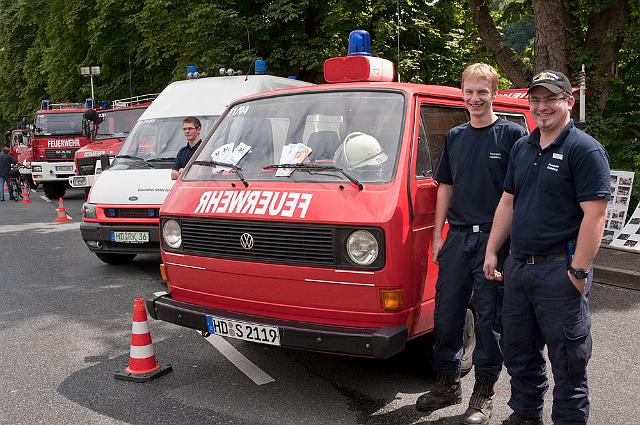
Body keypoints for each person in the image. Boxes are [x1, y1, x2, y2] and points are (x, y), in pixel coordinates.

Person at [483, 70, 610, 425]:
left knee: (569, 363)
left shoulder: (584, 150)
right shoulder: (522, 147)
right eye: (535, 100)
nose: (542, 107)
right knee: (519, 353)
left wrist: (579, 271)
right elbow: (507, 203)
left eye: (550, 99)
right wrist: (493, 250)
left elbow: (595, 216)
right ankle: (525, 415)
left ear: (568, 101)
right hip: (519, 269)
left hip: (560, 272)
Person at [416, 63, 528, 425]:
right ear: (461, 92)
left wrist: (505, 245)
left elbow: (518, 195)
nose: (475, 98)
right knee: (446, 315)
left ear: (494, 93)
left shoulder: (511, 136)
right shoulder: (456, 137)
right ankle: (448, 383)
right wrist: (437, 236)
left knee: (488, 320)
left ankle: (484, 394)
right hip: (457, 238)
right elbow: (444, 186)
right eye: (469, 91)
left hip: (493, 241)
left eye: (483, 91)